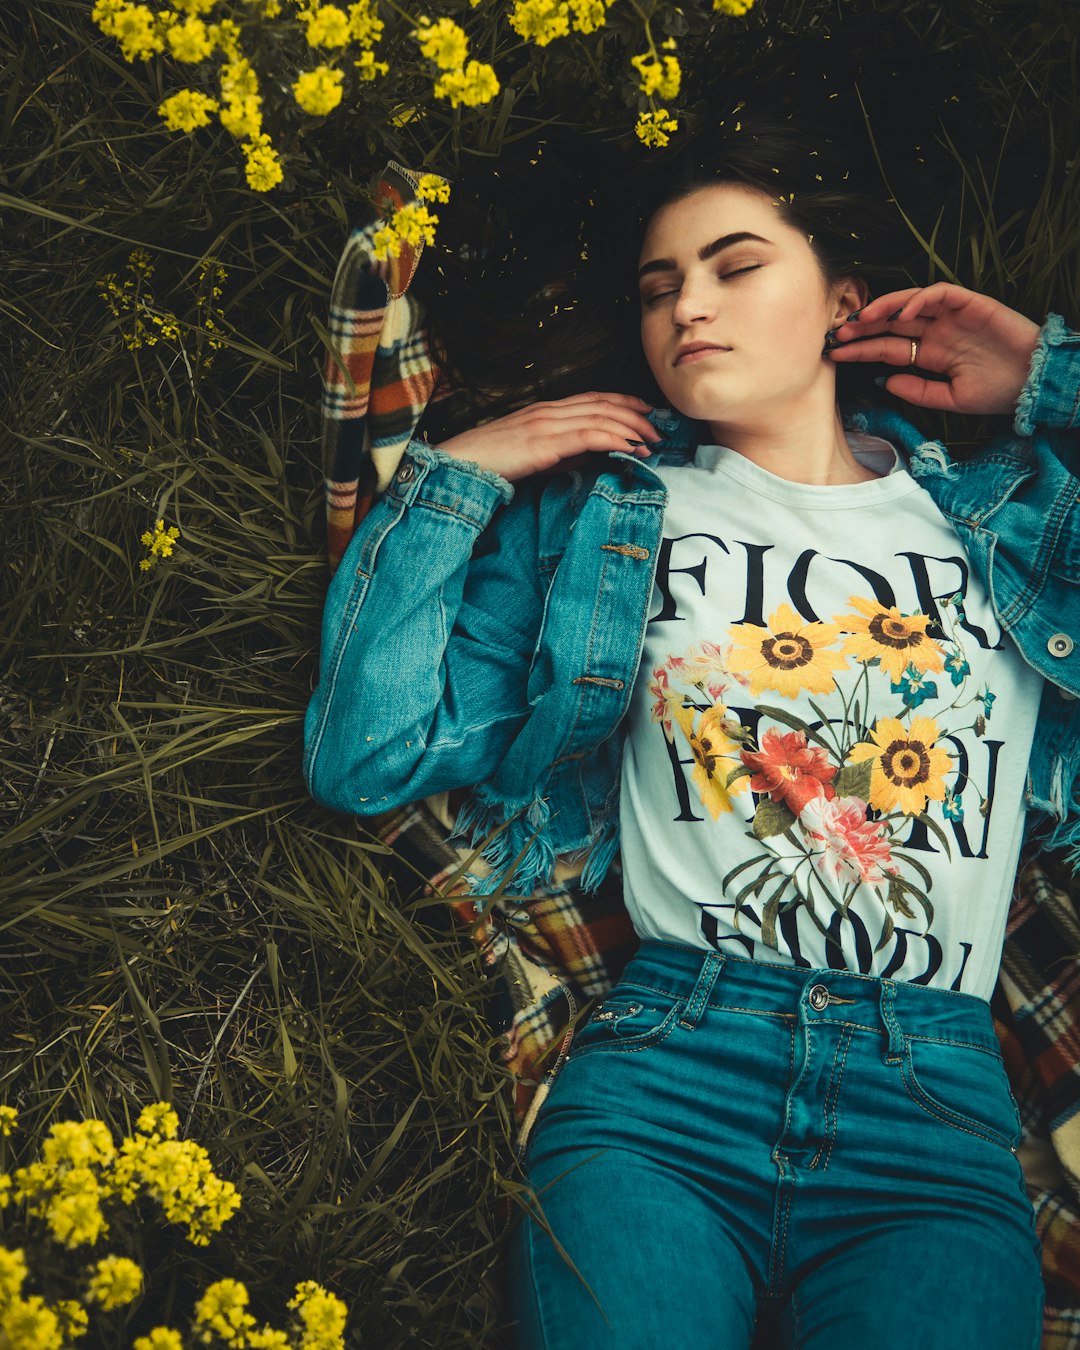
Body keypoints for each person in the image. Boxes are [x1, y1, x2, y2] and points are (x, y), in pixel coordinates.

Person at [304, 120, 1079, 1348]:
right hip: (666, 1079)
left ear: (844, 304)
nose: (687, 309)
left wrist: (1048, 376)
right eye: (660, 288)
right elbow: (368, 755)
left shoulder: (1009, 515)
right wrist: (462, 473)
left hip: (930, 1111)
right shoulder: (599, 520)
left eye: (734, 266)